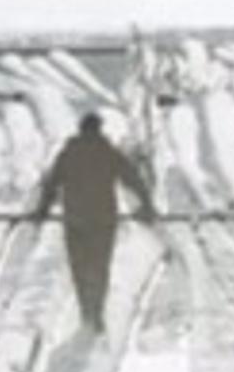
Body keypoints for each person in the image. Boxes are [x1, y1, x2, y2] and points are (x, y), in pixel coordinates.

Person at [30, 109, 154, 329]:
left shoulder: (69, 154)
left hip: (75, 219)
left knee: (80, 266)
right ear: (99, 129)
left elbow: (51, 185)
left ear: (81, 130)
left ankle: (86, 310)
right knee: (100, 265)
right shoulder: (108, 152)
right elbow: (132, 179)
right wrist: (147, 205)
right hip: (103, 219)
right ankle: (96, 311)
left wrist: (41, 211)